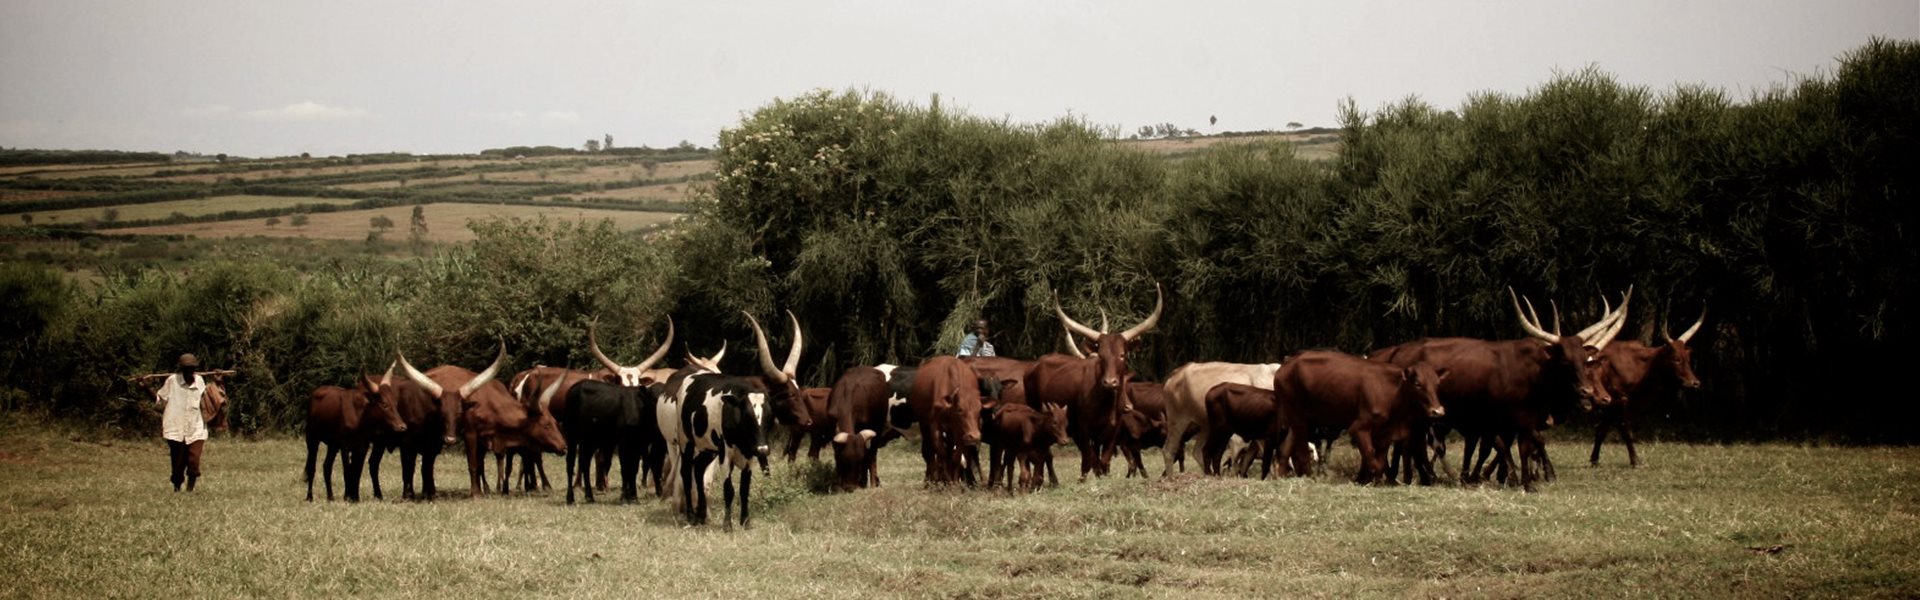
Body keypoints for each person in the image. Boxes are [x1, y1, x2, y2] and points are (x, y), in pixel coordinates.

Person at [151, 353, 212, 492]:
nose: (190, 371)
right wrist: (146, 388)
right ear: (181, 369)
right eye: (187, 368)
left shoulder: (200, 381)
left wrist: (218, 381)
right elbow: (159, 400)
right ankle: (177, 487)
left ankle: (190, 489)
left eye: (192, 368)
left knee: (193, 460)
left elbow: (209, 399)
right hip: (175, 427)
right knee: (177, 463)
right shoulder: (172, 381)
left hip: (196, 428)